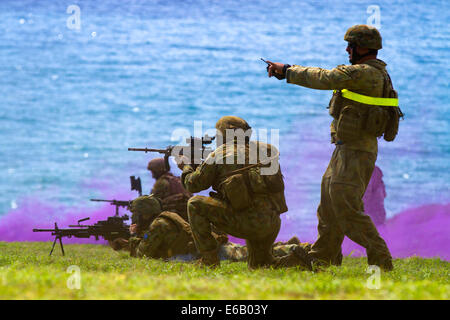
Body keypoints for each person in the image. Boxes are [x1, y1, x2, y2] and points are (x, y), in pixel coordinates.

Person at [266, 25, 400, 271]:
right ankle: (323, 255)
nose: (347, 49)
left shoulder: (364, 73)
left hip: (357, 151)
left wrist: (287, 71)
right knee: (328, 203)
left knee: (346, 206)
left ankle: (381, 258)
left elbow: (325, 78)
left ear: (363, 48)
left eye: (351, 45)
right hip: (346, 148)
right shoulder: (369, 72)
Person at [178, 116, 312, 270]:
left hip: (248, 221)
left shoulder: (219, 154)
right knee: (261, 266)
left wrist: (187, 167)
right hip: (271, 222)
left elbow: (192, 184)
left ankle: (209, 260)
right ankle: (295, 260)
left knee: (194, 204)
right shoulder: (264, 152)